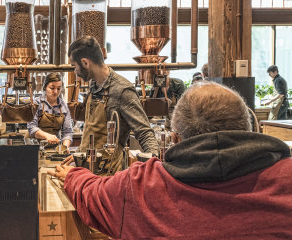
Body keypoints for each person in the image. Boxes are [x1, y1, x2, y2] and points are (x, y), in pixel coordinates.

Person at [49, 81, 292, 239]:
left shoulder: (138, 186)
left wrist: (72, 175)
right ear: (251, 127)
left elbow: (92, 193)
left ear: (174, 139)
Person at [65, 36, 159, 176]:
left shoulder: (122, 91)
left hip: (108, 176)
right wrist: (82, 154)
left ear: (85, 62)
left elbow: (145, 133)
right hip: (86, 170)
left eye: (74, 66)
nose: (75, 72)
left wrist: (155, 170)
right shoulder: (93, 86)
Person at [28, 73, 73, 148]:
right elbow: (31, 127)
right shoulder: (36, 103)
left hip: (55, 148)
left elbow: (67, 132)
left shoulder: (63, 106)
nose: (55, 91)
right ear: (45, 87)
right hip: (36, 147)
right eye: (52, 88)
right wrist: (47, 136)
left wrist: (64, 148)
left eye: (58, 88)